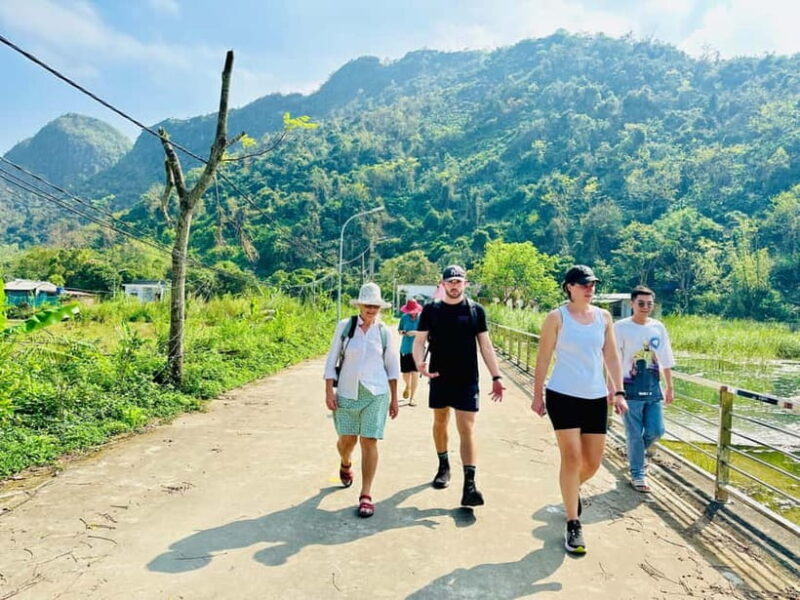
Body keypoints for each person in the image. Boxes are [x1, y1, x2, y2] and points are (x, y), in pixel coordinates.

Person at [531, 265, 627, 556]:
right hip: (563, 394)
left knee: (593, 463)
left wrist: (618, 390)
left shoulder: (604, 317)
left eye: (593, 284)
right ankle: (573, 523)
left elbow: (610, 355)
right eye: (584, 284)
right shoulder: (556, 318)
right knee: (571, 457)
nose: (590, 289)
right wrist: (537, 395)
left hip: (596, 397)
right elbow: (544, 356)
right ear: (569, 287)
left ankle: (569, 491)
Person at [412, 265, 505, 507]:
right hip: (439, 376)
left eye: (458, 281)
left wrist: (496, 377)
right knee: (441, 421)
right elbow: (420, 340)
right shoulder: (431, 310)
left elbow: (486, 346)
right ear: (442, 284)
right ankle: (443, 465)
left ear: (465, 283)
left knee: (467, 428)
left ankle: (470, 485)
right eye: (450, 281)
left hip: (467, 379)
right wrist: (419, 363)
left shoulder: (476, 311)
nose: (454, 285)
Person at [323, 282, 400, 518]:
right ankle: (345, 462)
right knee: (347, 440)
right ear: (360, 305)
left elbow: (393, 367)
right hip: (347, 391)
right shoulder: (345, 327)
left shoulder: (384, 332)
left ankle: (366, 494)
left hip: (376, 393)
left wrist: (394, 398)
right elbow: (331, 358)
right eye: (368, 305)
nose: (371, 310)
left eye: (375, 306)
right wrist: (328, 391)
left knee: (369, 441)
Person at [613, 285, 675, 493]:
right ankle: (638, 473)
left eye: (649, 304)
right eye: (641, 303)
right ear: (632, 304)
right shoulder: (620, 327)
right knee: (633, 434)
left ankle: (635, 454)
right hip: (628, 390)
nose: (645, 307)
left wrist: (669, 387)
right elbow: (612, 360)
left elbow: (665, 359)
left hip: (653, 388)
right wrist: (613, 390)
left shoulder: (658, 327)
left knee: (657, 430)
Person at [398, 298, 423, 406]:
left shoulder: (422, 318)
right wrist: (404, 332)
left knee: (415, 373)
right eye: (410, 312)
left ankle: (412, 397)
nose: (412, 313)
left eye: (413, 311)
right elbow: (399, 330)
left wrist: (416, 333)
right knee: (405, 373)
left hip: (418, 350)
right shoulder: (404, 318)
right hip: (405, 349)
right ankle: (407, 386)